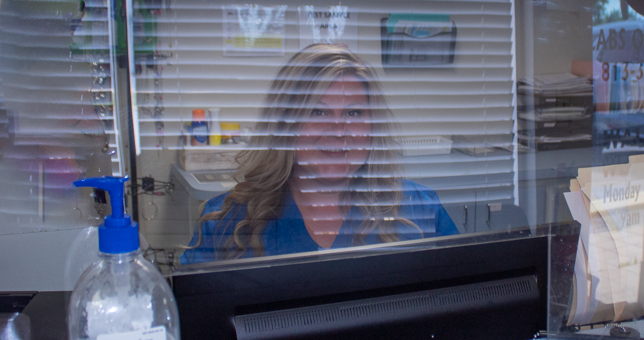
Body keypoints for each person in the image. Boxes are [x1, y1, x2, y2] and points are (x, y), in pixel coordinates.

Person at [182, 44, 459, 263]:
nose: (338, 130)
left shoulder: (421, 211)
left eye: (353, 113)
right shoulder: (227, 224)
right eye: (318, 111)